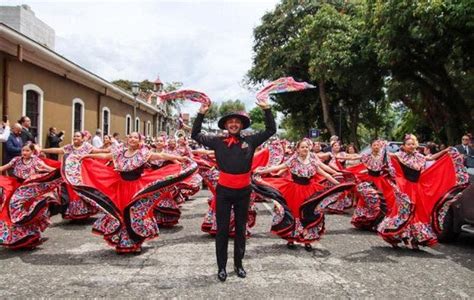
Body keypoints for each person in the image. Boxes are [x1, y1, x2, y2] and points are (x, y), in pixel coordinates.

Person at [191, 98, 276, 282]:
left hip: (243, 192)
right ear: (226, 125)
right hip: (223, 192)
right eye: (231, 122)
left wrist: (267, 109)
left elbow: (271, 130)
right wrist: (201, 112)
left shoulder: (250, 140)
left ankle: (239, 265)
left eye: (237, 122)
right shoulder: (217, 141)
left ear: (241, 125)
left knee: (240, 229)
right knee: (221, 230)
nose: (234, 124)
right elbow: (195, 134)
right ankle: (221, 267)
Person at [72, 132, 196, 253]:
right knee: (120, 212)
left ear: (139, 140)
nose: (132, 139)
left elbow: (162, 156)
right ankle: (123, 241)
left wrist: (180, 158)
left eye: (135, 137)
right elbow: (105, 156)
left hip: (136, 187)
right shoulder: (120, 153)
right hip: (120, 187)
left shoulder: (143, 153)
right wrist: (86, 157)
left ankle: (136, 241)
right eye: (130, 137)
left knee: (134, 213)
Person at [254, 139, 353, 250]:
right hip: (294, 190)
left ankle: (308, 240)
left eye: (306, 147)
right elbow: (278, 167)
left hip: (310, 191)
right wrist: (262, 171)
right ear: (298, 149)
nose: (305, 149)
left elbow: (325, 174)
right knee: (295, 213)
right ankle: (291, 238)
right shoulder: (293, 160)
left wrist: (339, 183)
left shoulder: (313, 161)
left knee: (309, 214)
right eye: (302, 147)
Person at [377, 134, 469, 249]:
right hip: (405, 188)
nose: (411, 146)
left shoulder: (419, 156)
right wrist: (382, 147)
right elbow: (386, 156)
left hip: (417, 188)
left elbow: (431, 158)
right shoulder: (399, 155)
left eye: (412, 144)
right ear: (404, 146)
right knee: (403, 211)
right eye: (408, 144)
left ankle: (416, 239)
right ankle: (394, 236)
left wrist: (445, 151)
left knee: (418, 213)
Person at [0, 143, 61, 249]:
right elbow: (3, 168)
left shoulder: (36, 161)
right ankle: (17, 239)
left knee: (27, 212)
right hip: (16, 187)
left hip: (30, 189)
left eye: (27, 151)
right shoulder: (16, 160)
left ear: (32, 152)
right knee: (9, 211)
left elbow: (49, 169)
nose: (24, 153)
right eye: (23, 150)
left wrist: (62, 171)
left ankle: (30, 237)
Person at [41, 131, 109, 220]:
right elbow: (57, 150)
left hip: (82, 173)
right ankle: (74, 212)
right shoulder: (69, 147)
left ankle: (84, 211)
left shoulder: (86, 146)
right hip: (70, 174)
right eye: (74, 136)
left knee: (82, 191)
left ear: (82, 138)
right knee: (72, 192)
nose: (75, 138)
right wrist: (42, 150)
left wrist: (107, 150)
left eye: (78, 136)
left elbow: (97, 151)